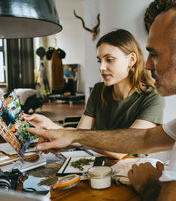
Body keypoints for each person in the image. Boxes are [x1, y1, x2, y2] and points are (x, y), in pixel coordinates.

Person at [28, 0, 176, 201]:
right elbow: (143, 138)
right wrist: (68, 134)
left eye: (154, 54)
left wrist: (148, 183)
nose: (149, 65)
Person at [25, 29, 164, 159]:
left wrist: (73, 137)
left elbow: (119, 151)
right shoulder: (99, 90)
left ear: (131, 60)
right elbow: (81, 133)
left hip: (130, 175)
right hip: (95, 166)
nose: (101, 67)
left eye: (109, 59)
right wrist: (50, 125)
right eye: (100, 60)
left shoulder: (152, 97)